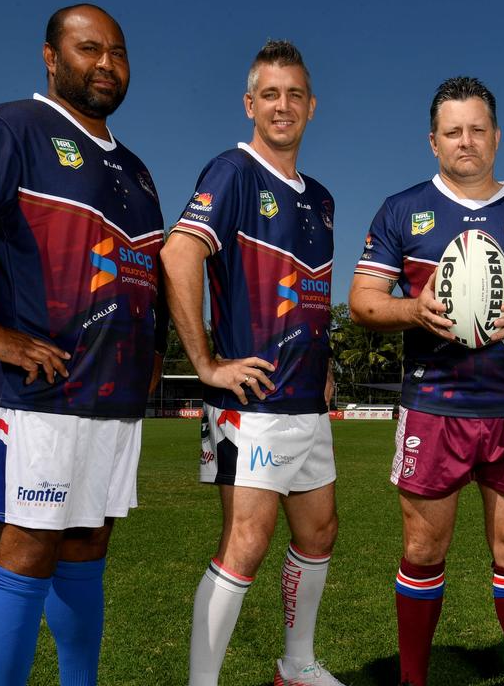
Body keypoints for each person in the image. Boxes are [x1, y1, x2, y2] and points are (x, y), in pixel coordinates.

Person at [0, 4, 165, 685]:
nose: (106, 62)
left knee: (87, 548)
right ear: (52, 58)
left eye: (117, 51)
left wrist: (154, 356)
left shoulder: (136, 172)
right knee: (27, 549)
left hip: (111, 401)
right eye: (88, 48)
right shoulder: (14, 126)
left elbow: (149, 275)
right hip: (37, 392)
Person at [349, 76, 504, 686]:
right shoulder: (402, 210)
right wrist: (413, 309)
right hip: (433, 407)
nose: (466, 142)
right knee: (423, 552)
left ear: (497, 137)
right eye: (453, 131)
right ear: (433, 141)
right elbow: (362, 301)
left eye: (478, 130)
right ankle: (413, 680)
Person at [159, 40, 344, 686]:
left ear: (312, 106)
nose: (282, 106)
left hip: (304, 403)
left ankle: (296, 665)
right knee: (246, 543)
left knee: (320, 532)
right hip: (250, 404)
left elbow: (307, 292)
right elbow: (179, 254)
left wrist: (323, 363)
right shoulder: (232, 173)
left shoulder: (320, 199)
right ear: (249, 104)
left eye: (294, 94)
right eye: (270, 94)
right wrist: (205, 362)